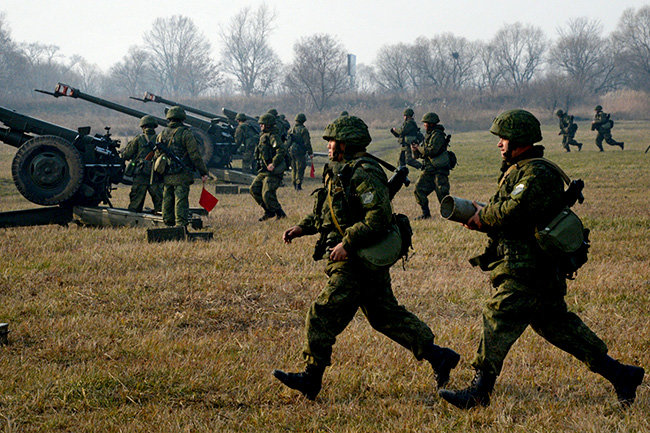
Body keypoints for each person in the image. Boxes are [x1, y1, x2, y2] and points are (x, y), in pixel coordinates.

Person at [438, 109, 644, 409]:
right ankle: (622, 374)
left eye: (504, 138)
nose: (499, 144)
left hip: (529, 267)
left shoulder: (537, 173)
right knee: (559, 327)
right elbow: (508, 211)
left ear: (520, 140)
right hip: (531, 266)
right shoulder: (519, 169)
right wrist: (481, 218)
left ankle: (479, 392)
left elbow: (513, 210)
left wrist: (485, 217)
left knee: (498, 314)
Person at [273, 115, 460, 400]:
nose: (331, 146)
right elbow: (328, 210)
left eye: (334, 141)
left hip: (356, 258)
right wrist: (302, 227)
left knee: (322, 313)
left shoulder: (364, 172)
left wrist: (348, 243)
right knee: (385, 316)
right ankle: (439, 357)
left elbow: (379, 216)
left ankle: (311, 377)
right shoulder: (338, 169)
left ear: (348, 144)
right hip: (356, 255)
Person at [154, 106, 209, 227]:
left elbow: (157, 155)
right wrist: (203, 172)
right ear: (182, 118)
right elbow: (195, 155)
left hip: (167, 173)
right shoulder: (186, 134)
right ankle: (180, 225)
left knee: (167, 198)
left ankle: (168, 223)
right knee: (181, 199)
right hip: (182, 173)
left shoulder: (162, 134)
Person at [411, 112, 451, 220]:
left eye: (426, 123)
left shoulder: (438, 135)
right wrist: (414, 149)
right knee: (418, 189)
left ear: (431, 124)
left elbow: (432, 151)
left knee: (442, 194)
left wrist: (419, 148)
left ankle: (450, 215)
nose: (424, 125)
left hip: (439, 170)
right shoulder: (428, 136)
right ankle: (426, 214)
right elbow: (418, 156)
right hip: (429, 170)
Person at [121, 115, 162, 213]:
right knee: (161, 204)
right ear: (154, 126)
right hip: (155, 175)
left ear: (143, 127)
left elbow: (126, 155)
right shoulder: (159, 139)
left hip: (140, 175)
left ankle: (131, 224)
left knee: (135, 205)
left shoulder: (138, 139)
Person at [250, 113, 287, 220]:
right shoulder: (263, 136)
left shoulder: (273, 136)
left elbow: (281, 151)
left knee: (267, 193)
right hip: (264, 170)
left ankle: (280, 214)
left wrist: (273, 163)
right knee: (254, 189)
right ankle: (269, 211)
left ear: (268, 125)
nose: (260, 125)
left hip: (274, 171)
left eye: (263, 124)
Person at [287, 113, 313, 191]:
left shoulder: (291, 130)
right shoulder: (303, 130)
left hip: (292, 150)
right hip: (300, 151)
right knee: (300, 168)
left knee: (294, 167)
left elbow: (288, 142)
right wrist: (310, 152)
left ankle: (294, 183)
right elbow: (307, 142)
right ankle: (298, 184)